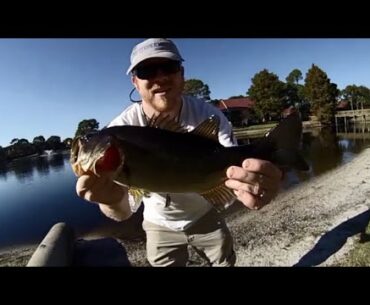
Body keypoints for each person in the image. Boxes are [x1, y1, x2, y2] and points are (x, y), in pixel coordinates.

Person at [76, 38, 283, 267]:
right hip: (158, 223)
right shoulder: (121, 126)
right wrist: (111, 200)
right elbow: (124, 212)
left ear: (181, 73)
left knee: (224, 262)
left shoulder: (208, 114)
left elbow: (232, 165)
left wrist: (251, 185)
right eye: (147, 70)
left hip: (205, 214)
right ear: (135, 82)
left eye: (169, 67)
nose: (160, 77)